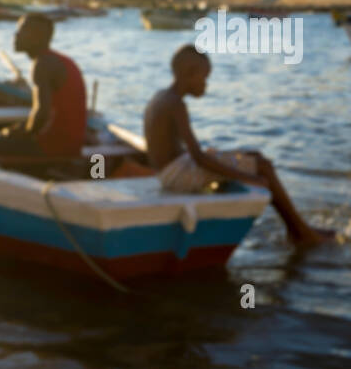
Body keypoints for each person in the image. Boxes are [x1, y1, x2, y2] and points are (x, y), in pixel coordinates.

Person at [144, 45, 336, 247]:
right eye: (204, 77)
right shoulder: (176, 104)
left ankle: (296, 229)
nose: (206, 84)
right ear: (189, 74)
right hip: (177, 176)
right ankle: (300, 232)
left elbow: (180, 151)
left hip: (170, 172)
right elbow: (199, 158)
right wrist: (248, 178)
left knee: (254, 156)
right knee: (263, 167)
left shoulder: (162, 97)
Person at [0, 13, 87, 160]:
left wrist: (18, 135)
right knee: (6, 132)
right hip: (71, 144)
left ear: (38, 37)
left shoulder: (43, 64)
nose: (16, 35)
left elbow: (41, 114)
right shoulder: (58, 60)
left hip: (53, 146)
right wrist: (14, 131)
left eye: (22, 30)